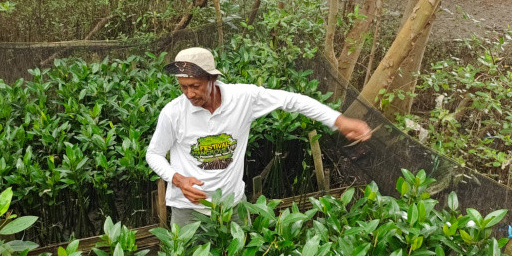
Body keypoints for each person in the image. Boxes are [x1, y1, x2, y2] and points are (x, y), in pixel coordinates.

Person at [145, 47, 372, 227]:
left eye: (195, 86)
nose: (189, 94)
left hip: (232, 205)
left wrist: (339, 121)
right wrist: (178, 180)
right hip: (187, 210)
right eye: (183, 87)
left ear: (212, 79)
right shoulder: (173, 113)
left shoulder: (243, 99)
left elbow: (293, 100)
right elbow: (154, 154)